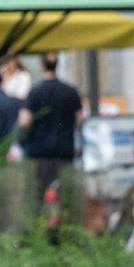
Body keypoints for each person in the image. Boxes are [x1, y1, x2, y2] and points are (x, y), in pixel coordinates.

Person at [19, 54, 83, 190]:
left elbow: (25, 121)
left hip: (40, 153)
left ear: (41, 66)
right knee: (64, 192)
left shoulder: (35, 92)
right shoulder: (71, 92)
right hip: (65, 151)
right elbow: (80, 120)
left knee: (39, 192)